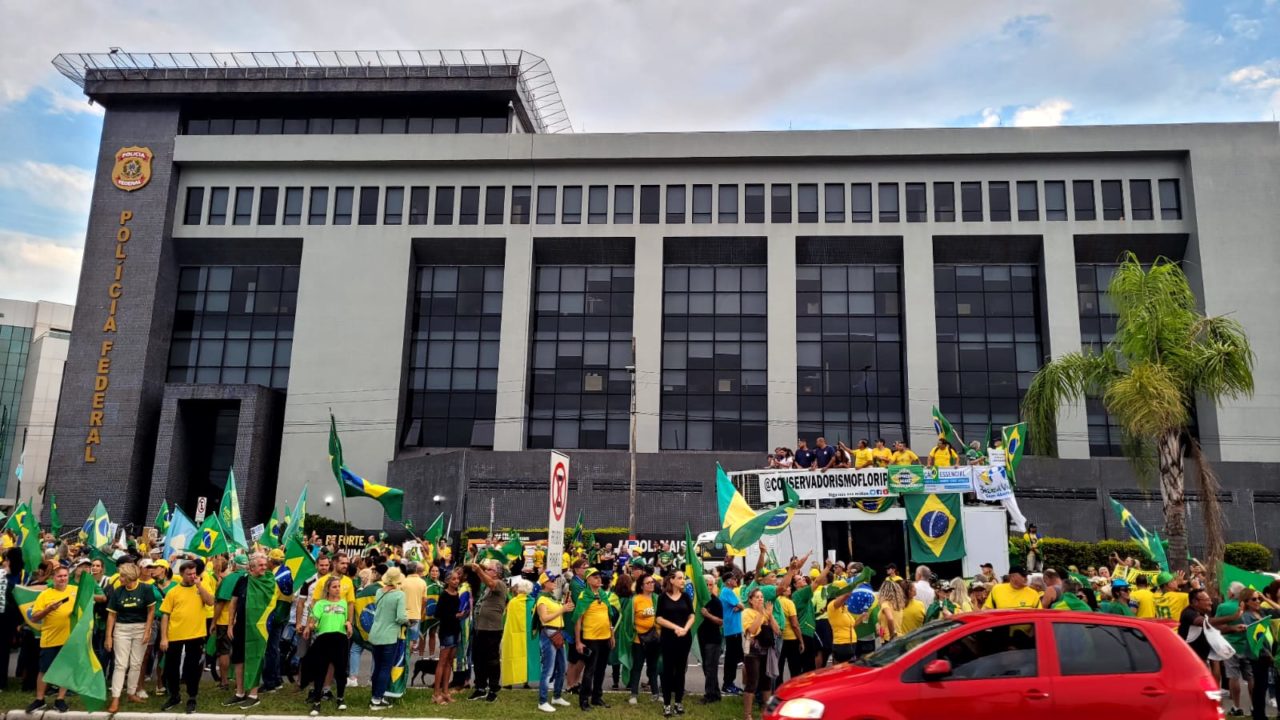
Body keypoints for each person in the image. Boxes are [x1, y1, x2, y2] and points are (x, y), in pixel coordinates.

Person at [159, 560, 215, 714]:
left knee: (193, 668)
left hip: (196, 635)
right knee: (171, 668)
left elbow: (211, 602)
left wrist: (199, 586)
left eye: (194, 573)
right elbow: (165, 615)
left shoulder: (200, 588)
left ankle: (192, 696)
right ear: (182, 574)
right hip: (175, 635)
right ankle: (174, 695)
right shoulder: (173, 592)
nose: (192, 576)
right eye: (189, 574)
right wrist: (164, 637)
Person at [25, 566, 75, 714]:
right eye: (59, 576)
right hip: (50, 638)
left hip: (68, 638)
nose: (63, 579)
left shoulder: (75, 591)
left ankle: (60, 699)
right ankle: (40, 699)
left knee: (65, 669)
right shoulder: (45, 595)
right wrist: (48, 609)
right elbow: (33, 617)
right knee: (44, 670)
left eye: (65, 576)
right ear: (53, 578)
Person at [105, 562, 154, 713]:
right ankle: (116, 698)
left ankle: (131, 693)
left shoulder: (145, 589)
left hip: (140, 628)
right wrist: (109, 636)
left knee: (136, 663)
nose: (119, 578)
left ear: (130, 577)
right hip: (121, 629)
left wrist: (147, 630)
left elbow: (151, 610)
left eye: (122, 576)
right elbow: (111, 615)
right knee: (120, 664)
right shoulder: (117, 591)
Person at [225, 554, 272, 709]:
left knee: (255, 658)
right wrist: (230, 624)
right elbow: (233, 603)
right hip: (241, 626)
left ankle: (253, 694)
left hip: (258, 628)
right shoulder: (242, 580)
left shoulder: (269, 582)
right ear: (251, 568)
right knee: (239, 658)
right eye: (261, 565)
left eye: (265, 564)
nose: (264, 567)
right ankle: (240, 692)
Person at [304, 576, 352, 716]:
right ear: (328, 589)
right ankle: (317, 702)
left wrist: (349, 624)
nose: (337, 589)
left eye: (339, 586)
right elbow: (314, 620)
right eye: (334, 587)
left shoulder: (343, 603)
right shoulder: (320, 604)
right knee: (320, 671)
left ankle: (341, 699)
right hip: (324, 639)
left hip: (340, 638)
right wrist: (309, 626)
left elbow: (346, 620)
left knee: (341, 671)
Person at [574, 568, 619, 711]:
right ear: (588, 580)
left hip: (605, 637)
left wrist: (612, 635)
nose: (599, 579)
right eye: (595, 577)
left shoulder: (603, 595)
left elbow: (609, 616)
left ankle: (597, 697)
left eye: (599, 576)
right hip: (591, 638)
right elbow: (578, 620)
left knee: (601, 668)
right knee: (590, 670)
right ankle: (584, 700)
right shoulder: (584, 596)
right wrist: (578, 642)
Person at [465, 560, 508, 702]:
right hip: (480, 628)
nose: (486, 571)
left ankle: (493, 688)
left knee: (492, 660)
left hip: (492, 629)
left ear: (496, 573)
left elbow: (490, 583)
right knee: (478, 659)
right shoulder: (486, 587)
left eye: (489, 569)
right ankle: (480, 687)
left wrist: (479, 570)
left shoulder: (500, 584)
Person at [368, 566, 408, 710]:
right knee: (385, 668)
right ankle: (377, 699)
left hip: (375, 633)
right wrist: (408, 621)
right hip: (390, 635)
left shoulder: (379, 591)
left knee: (377, 667)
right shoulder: (399, 595)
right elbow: (401, 617)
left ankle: (374, 695)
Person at [534, 573, 573, 713]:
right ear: (545, 583)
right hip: (549, 634)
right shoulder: (542, 599)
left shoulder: (552, 598)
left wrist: (565, 607)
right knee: (548, 669)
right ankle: (542, 701)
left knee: (562, 667)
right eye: (552, 580)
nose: (555, 582)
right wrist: (562, 609)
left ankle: (556, 696)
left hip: (557, 633)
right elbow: (544, 618)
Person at [741, 588, 780, 720]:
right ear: (751, 600)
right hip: (753, 652)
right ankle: (748, 714)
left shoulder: (766, 612)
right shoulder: (746, 612)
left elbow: (777, 631)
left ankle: (766, 711)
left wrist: (770, 615)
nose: (760, 599)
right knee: (752, 682)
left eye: (762, 597)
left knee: (767, 681)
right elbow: (752, 630)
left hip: (766, 652)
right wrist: (759, 614)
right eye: (757, 597)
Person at [1178, 587, 1243, 667]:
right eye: (1207, 600)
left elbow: (1213, 629)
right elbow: (1205, 622)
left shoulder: (1202, 614)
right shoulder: (1188, 613)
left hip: (1201, 660)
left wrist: (1233, 628)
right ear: (1195, 602)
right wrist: (1232, 617)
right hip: (1189, 662)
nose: (1211, 603)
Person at [627, 574, 661, 705]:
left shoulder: (657, 598)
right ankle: (634, 694)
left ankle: (655, 693)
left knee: (653, 667)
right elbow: (629, 620)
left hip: (655, 639)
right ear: (641, 586)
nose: (651, 584)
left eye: (652, 582)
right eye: (648, 583)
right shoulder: (635, 600)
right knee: (637, 666)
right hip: (639, 639)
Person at [432, 569, 463, 706]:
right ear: (448, 581)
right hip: (446, 631)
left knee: (450, 661)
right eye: (454, 579)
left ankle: (445, 691)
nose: (456, 581)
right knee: (442, 661)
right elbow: (438, 614)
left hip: (456, 630)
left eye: (458, 579)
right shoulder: (444, 595)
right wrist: (454, 616)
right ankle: (436, 693)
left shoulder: (458, 595)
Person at [697, 573, 724, 704]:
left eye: (710, 585)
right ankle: (715, 693)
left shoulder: (715, 601)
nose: (708, 587)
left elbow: (720, 622)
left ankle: (709, 695)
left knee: (710, 668)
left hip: (713, 640)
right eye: (705, 585)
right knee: (707, 668)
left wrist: (707, 615)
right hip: (702, 639)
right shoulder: (700, 601)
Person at [719, 571, 745, 697]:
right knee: (731, 658)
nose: (736, 580)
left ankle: (730, 683)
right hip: (732, 629)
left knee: (733, 658)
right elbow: (741, 605)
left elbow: (741, 606)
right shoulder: (727, 591)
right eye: (734, 579)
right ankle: (727, 684)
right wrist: (739, 607)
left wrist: (739, 607)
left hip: (734, 629)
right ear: (729, 581)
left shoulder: (728, 591)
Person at [400, 562, 427, 661]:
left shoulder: (403, 582)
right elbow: (424, 600)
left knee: (402, 637)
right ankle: (407, 658)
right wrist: (421, 612)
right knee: (412, 639)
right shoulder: (422, 582)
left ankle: (400, 659)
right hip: (416, 614)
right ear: (416, 570)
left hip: (403, 614)